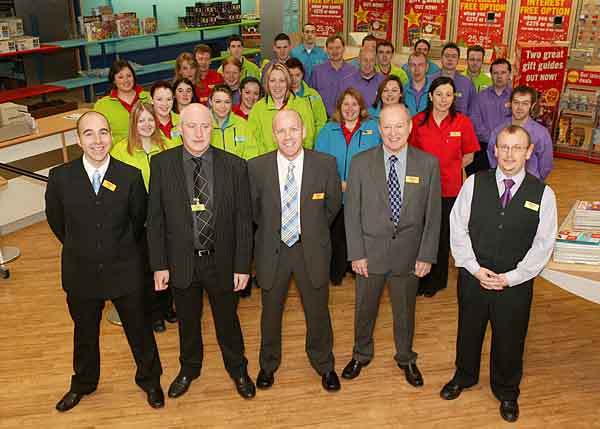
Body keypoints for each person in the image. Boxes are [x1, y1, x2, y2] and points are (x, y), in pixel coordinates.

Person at [45, 111, 164, 412]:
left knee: (139, 330)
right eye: (89, 133)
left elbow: (137, 223)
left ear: (112, 136)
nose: (97, 140)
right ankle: (83, 382)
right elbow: (58, 223)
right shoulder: (60, 177)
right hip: (81, 270)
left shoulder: (130, 176)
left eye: (103, 132)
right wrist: (85, 248)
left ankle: (150, 380)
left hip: (124, 268)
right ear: (78, 139)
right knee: (84, 332)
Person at [442, 125, 557, 423]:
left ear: (529, 152)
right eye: (504, 147)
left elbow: (543, 245)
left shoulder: (543, 194)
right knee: (469, 329)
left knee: (510, 337)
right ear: (494, 149)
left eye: (517, 147)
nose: (509, 154)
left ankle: (506, 391)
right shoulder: (473, 184)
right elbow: (458, 229)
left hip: (515, 284)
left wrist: (512, 277)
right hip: (473, 277)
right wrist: (474, 268)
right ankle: (464, 375)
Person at [147, 103, 255, 400]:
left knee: (228, 322)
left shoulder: (235, 166)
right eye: (191, 126)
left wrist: (243, 266)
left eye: (205, 126)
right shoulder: (162, 164)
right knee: (188, 321)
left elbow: (244, 222)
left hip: (221, 261)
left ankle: (238, 369)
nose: (198, 133)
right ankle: (189, 369)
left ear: (213, 128)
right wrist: (159, 264)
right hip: (181, 261)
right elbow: (154, 219)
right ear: (179, 129)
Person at [342, 104, 441, 387]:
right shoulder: (361, 162)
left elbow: (433, 216)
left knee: (405, 311)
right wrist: (356, 253)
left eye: (399, 126)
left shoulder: (428, 164)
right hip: (369, 255)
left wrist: (426, 254)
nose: (393, 132)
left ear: (410, 127)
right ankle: (360, 354)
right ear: (379, 129)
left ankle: (406, 357)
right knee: (364, 308)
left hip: (409, 255)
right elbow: (352, 213)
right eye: (387, 126)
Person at [248, 110, 343, 392]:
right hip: (272, 250)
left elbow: (332, 206)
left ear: (303, 131)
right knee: (270, 313)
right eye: (281, 131)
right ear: (273, 134)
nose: (288, 136)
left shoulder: (325, 165)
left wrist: (310, 230)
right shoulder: (256, 168)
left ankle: (324, 364)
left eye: (293, 130)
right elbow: (255, 212)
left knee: (318, 312)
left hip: (310, 249)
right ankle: (267, 363)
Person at [408, 77, 479, 297]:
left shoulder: (462, 123)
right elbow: (408, 153)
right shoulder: (418, 121)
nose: (443, 99)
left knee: (441, 234)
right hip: (421, 188)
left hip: (450, 189)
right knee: (419, 232)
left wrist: (453, 166)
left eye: (448, 94)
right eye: (439, 94)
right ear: (430, 96)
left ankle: (436, 281)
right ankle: (417, 278)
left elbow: (469, 154)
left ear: (453, 97)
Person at [111, 101, 178, 333]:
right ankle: (154, 314)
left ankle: (168, 307)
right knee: (147, 267)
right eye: (141, 120)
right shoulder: (121, 151)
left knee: (168, 263)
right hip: (137, 220)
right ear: (133, 123)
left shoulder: (168, 145)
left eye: (150, 119)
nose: (147, 124)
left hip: (166, 217)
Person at [315, 88, 381, 285]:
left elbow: (378, 161)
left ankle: (357, 269)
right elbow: (320, 161)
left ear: (361, 107)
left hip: (363, 193)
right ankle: (336, 271)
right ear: (339, 107)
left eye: (354, 104)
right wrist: (337, 183)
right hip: (335, 192)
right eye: (346, 104)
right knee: (336, 235)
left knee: (359, 233)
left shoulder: (372, 128)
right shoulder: (328, 130)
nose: (350, 108)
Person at [487, 86, 553, 181]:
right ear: (510, 104)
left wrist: (535, 181)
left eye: (525, 103)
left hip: (529, 182)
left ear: (532, 106)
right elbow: (492, 154)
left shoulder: (541, 133)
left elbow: (546, 165)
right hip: (502, 181)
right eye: (516, 102)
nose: (519, 108)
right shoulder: (499, 130)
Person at [248, 63, 315, 154]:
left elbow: (308, 139)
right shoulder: (257, 109)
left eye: (282, 81)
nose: (277, 85)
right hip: (267, 163)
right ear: (267, 83)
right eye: (272, 81)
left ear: (288, 82)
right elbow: (253, 141)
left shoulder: (302, 105)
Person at [468, 58, 513, 176]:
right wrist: (493, 140)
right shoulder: (480, 97)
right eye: (495, 73)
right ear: (491, 75)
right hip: (483, 149)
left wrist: (503, 142)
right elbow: (475, 122)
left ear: (509, 74)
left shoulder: (516, 98)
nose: (499, 76)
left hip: (509, 149)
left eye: (503, 72)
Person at [94, 59, 151, 144]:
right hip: (119, 152)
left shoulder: (149, 98)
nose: (126, 80)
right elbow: (98, 134)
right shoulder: (102, 105)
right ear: (114, 80)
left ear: (134, 77)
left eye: (129, 76)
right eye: (120, 77)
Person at [310, 35, 356, 117]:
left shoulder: (353, 71)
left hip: (347, 119)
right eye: (331, 48)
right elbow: (311, 97)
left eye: (338, 48)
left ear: (344, 49)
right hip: (323, 119)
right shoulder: (317, 71)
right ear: (326, 50)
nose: (334, 51)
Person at [210, 84, 259, 160]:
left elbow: (252, 153)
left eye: (227, 102)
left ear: (232, 103)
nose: (222, 106)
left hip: (238, 170)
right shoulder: (203, 124)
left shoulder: (242, 124)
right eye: (218, 102)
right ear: (210, 102)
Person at [430, 43, 476, 115]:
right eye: (447, 56)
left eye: (454, 56)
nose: (450, 59)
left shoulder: (467, 84)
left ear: (458, 60)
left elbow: (473, 111)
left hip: (460, 125)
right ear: (441, 58)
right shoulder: (429, 81)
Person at [286, 57, 327, 135]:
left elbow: (321, 121)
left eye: (297, 75)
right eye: (290, 75)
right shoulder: (282, 96)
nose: (294, 79)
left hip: (311, 143)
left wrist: (316, 140)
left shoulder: (313, 95)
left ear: (303, 74)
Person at [150, 80, 183, 148]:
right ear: (151, 100)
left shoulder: (183, 120)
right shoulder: (146, 126)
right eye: (159, 99)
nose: (165, 104)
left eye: (168, 99)